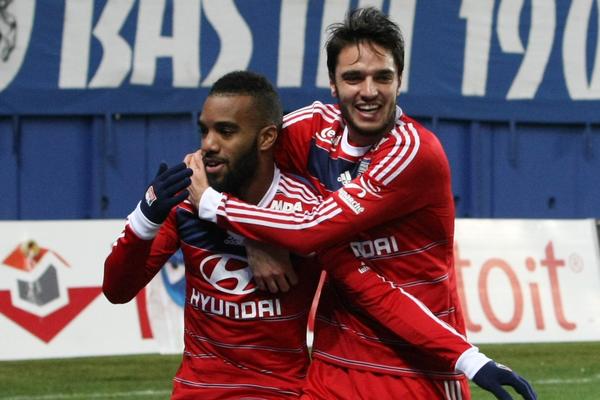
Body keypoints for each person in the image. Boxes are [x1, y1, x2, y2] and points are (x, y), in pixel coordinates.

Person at [185, 7, 537, 400]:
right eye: (353, 77)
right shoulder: (312, 129)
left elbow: (307, 231)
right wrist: (253, 238)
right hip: (335, 361)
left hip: (416, 363)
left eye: (382, 77)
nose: (368, 91)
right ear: (333, 85)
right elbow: (228, 158)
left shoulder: (413, 153)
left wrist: (217, 208)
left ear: (399, 81)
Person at [103, 71, 323, 399]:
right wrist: (145, 216)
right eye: (204, 130)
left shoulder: (307, 207)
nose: (209, 144)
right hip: (199, 392)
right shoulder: (184, 200)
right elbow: (116, 290)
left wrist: (258, 235)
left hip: (281, 392)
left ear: (266, 138)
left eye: (226, 131)